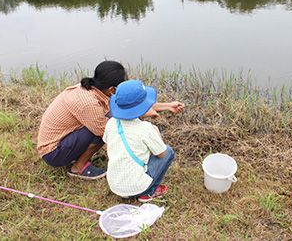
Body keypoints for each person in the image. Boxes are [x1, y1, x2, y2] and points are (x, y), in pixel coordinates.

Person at [37, 61, 185, 180]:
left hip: (64, 138)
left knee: (110, 119)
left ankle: (76, 156)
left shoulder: (94, 89)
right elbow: (115, 129)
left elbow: (127, 106)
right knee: (110, 126)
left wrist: (167, 106)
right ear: (112, 89)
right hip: (53, 152)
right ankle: (78, 168)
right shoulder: (88, 103)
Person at [103, 80, 178, 202]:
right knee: (168, 151)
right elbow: (162, 153)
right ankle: (148, 193)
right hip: (136, 188)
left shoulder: (111, 123)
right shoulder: (146, 128)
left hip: (115, 186)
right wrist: (155, 130)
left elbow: (108, 146)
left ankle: (137, 189)